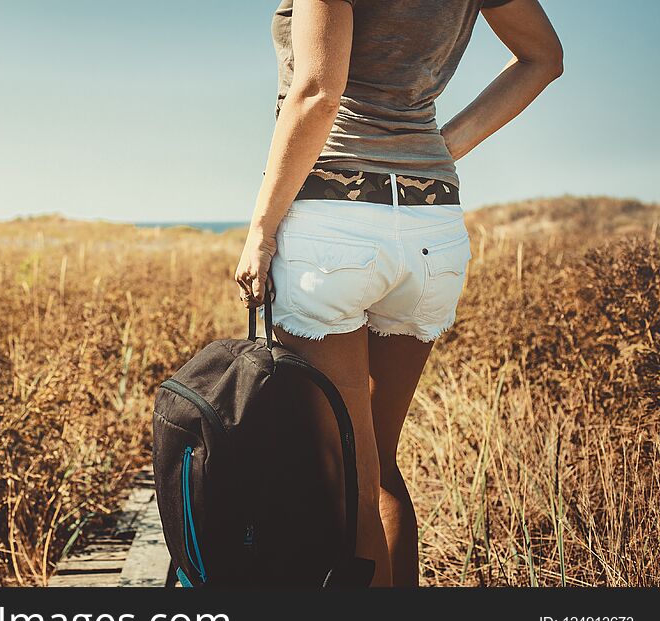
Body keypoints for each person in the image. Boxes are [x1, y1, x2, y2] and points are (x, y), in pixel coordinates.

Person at [234, 0, 563, 587]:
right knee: (380, 465)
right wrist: (441, 146)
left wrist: (260, 230)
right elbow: (543, 58)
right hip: (431, 226)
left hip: (334, 221)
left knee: (346, 476)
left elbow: (316, 93)